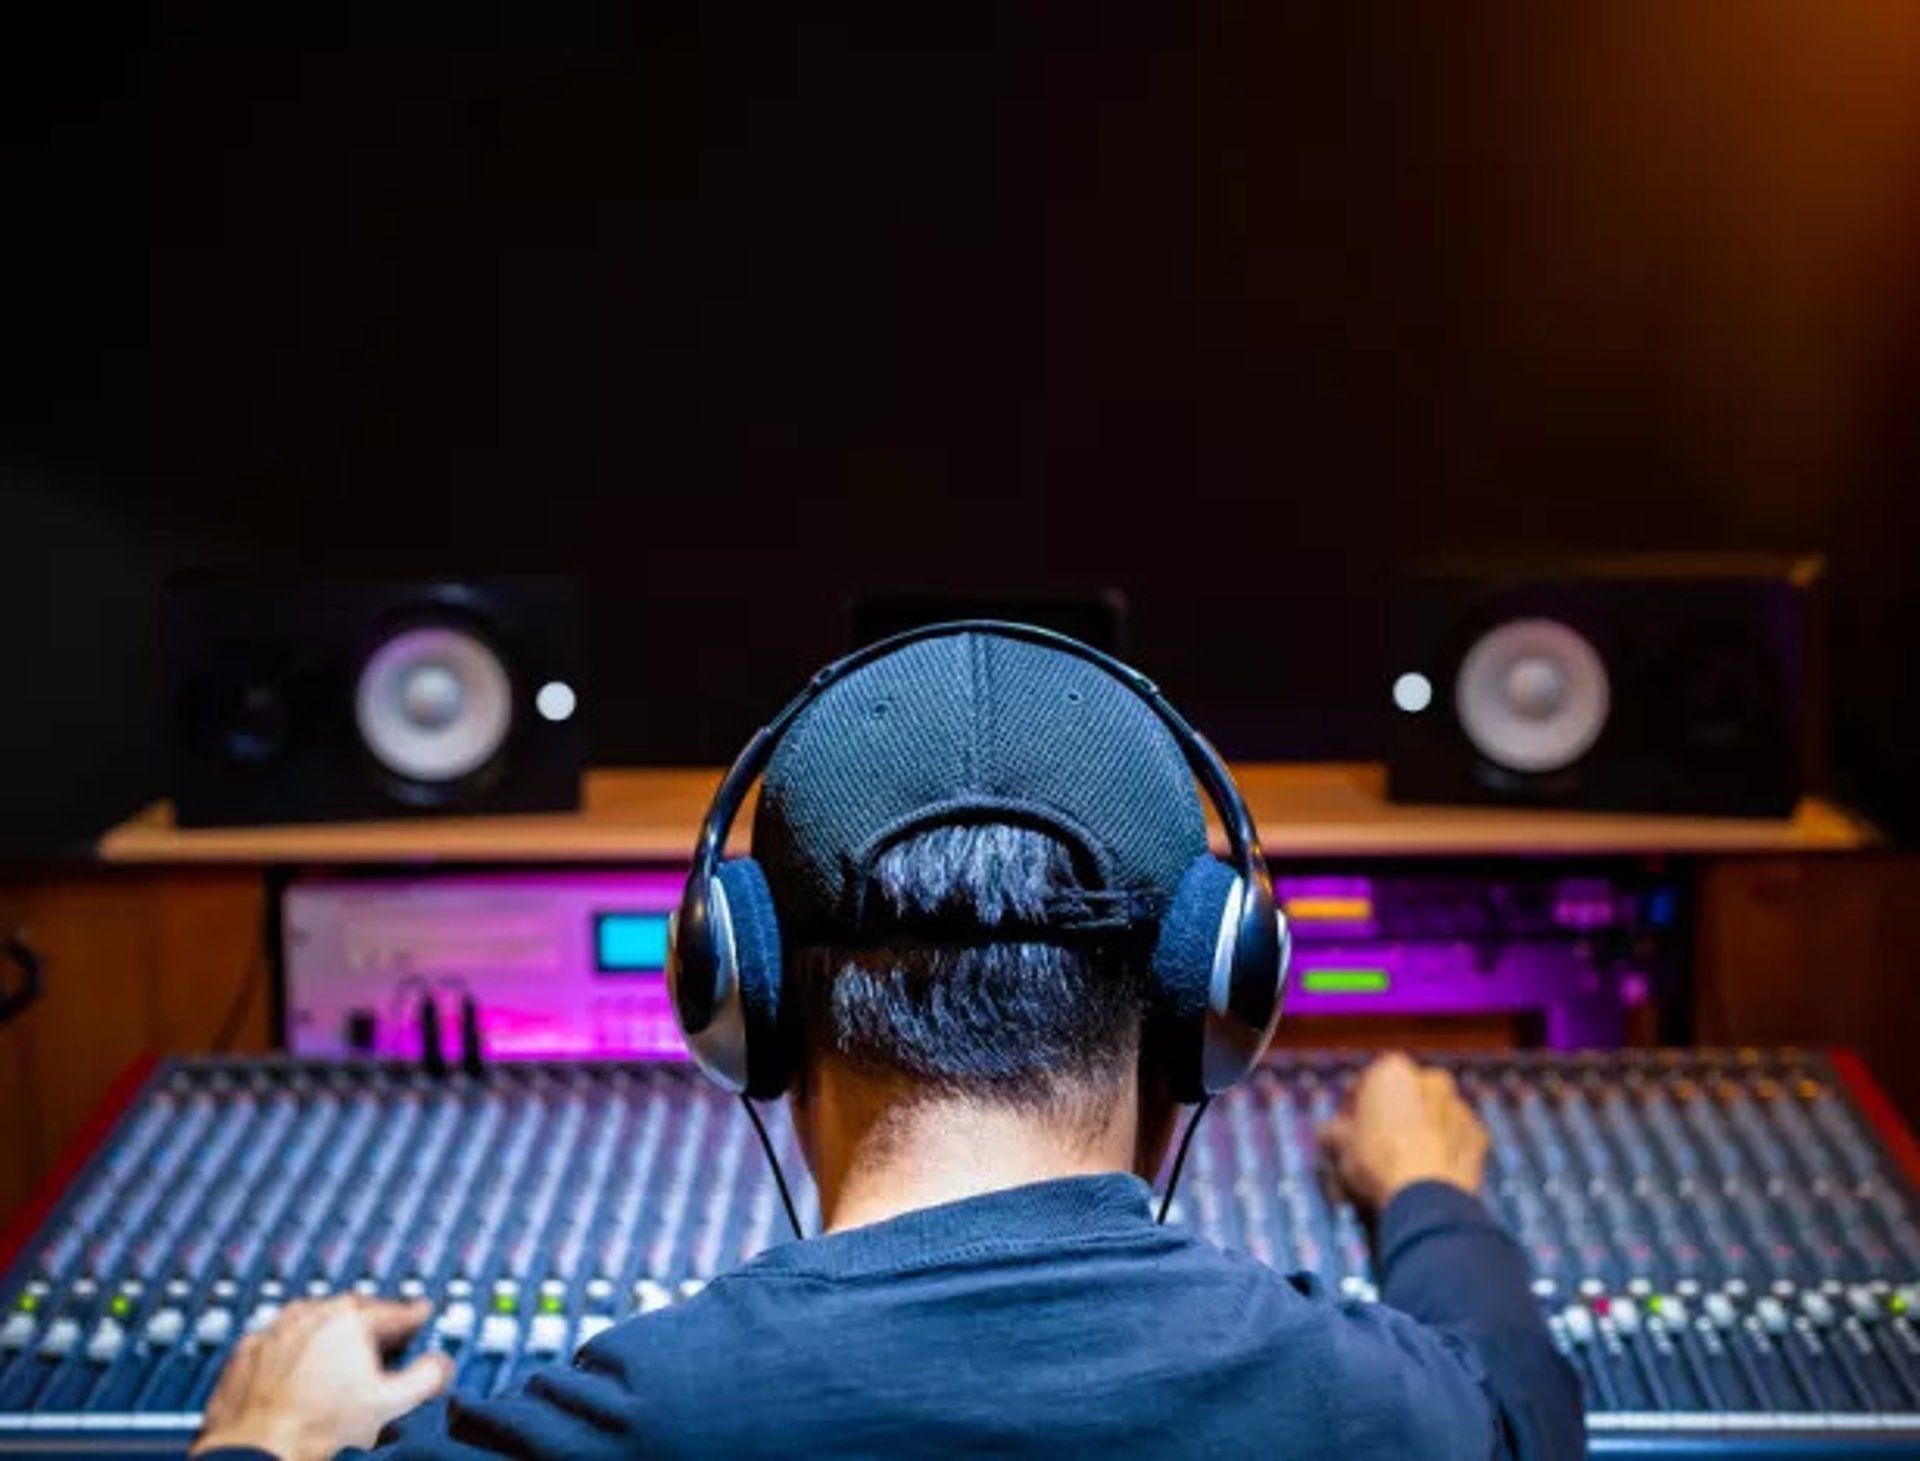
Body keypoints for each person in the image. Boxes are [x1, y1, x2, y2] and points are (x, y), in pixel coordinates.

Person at [193, 630, 1584, 1460]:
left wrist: (257, 1434)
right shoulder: (1377, 1413)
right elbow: (1528, 1406)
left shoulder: (618, 1423)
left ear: (745, 1006)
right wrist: (1429, 1186)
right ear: (1206, 1010)